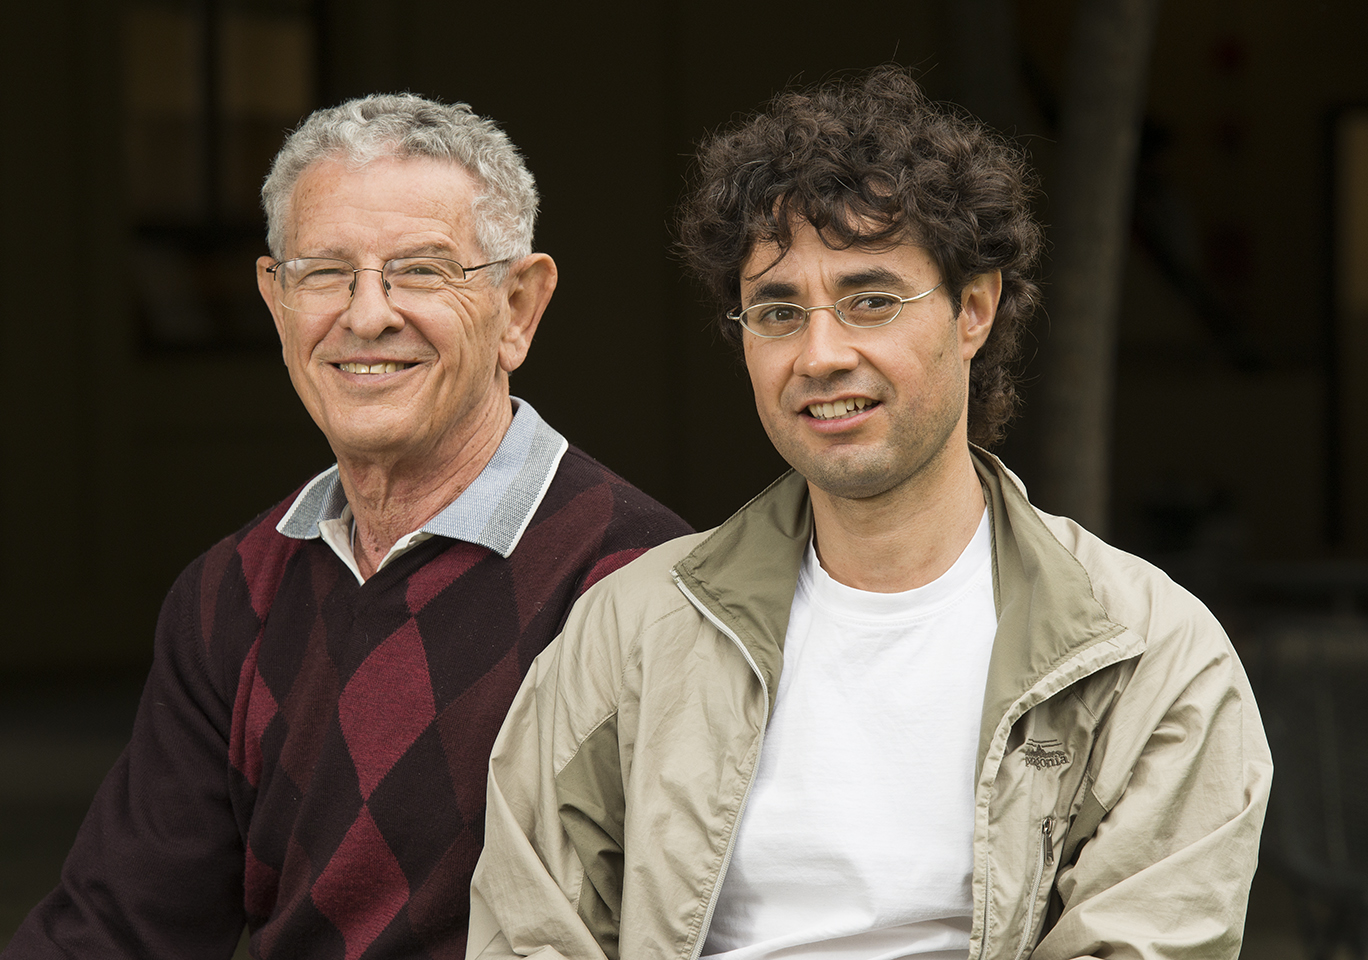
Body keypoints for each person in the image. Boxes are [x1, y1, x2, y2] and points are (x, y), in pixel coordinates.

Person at [468, 66, 1271, 960]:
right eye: (776, 311)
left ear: (973, 308)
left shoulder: (1149, 656)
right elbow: (527, 932)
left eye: (871, 300)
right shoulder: (628, 633)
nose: (819, 354)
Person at [1, 93, 690, 960]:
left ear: (519, 308)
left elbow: (689, 927)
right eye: (325, 272)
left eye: (422, 269)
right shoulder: (230, 593)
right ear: (276, 301)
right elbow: (117, 931)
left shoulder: (639, 584)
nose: (367, 314)